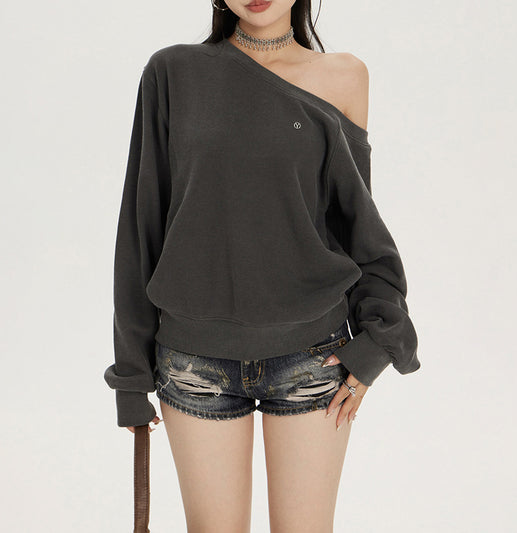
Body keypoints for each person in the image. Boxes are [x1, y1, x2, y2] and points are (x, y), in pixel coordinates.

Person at [104, 0, 421, 530]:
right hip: (193, 360)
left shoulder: (343, 76)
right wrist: (131, 376)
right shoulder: (172, 72)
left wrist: (379, 339)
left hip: (313, 356)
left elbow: (354, 221)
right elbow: (142, 223)